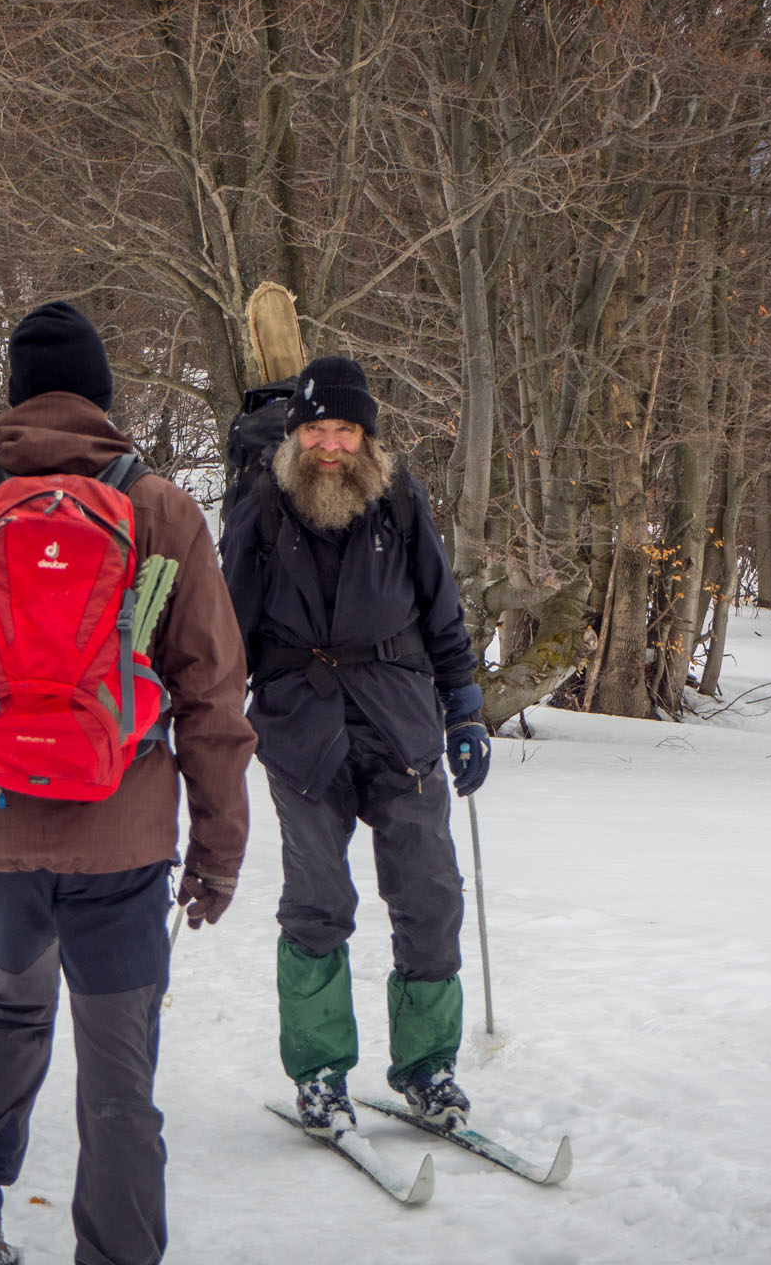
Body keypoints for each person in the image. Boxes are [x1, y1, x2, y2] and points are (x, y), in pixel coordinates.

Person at [0, 299, 255, 1265]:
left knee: (12, 1003)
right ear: (103, 396)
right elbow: (212, 694)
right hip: (120, 838)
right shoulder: (159, 510)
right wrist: (219, 847)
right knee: (119, 1067)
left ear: (12, 397)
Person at [218, 354, 491, 1136]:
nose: (330, 445)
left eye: (345, 429)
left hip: (400, 724)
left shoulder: (401, 501)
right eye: (316, 429)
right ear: (295, 435)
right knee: (317, 904)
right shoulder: (261, 510)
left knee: (430, 895)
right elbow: (226, 628)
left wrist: (465, 711)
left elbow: (442, 612)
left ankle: (429, 1066)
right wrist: (208, 719)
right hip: (299, 731)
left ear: (367, 438)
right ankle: (320, 1074)